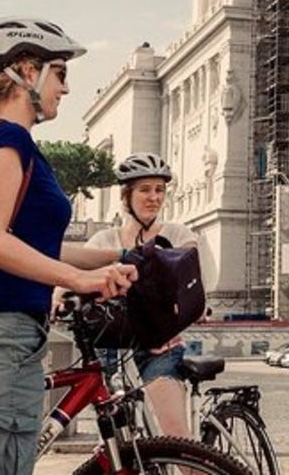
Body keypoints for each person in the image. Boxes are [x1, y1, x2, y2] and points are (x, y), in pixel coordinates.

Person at [0, 17, 137, 475]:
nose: (66, 88)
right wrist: (78, 280)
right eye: (60, 73)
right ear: (26, 71)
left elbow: (39, 248)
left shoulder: (8, 142)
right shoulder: (7, 138)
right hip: (1, 341)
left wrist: (120, 256)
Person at [82, 153, 198, 439]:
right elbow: (76, 275)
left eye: (160, 190)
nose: (154, 197)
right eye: (145, 190)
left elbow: (188, 284)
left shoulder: (178, 235)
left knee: (176, 437)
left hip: (160, 346)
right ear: (126, 197)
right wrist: (59, 296)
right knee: (115, 445)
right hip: (110, 349)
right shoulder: (103, 241)